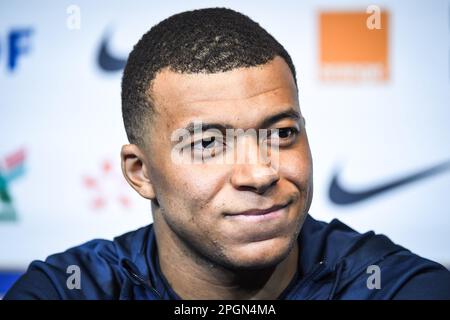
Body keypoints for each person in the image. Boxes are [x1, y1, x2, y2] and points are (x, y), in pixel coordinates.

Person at [5, 7, 450, 300]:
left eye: (281, 134)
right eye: (206, 143)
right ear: (140, 173)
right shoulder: (69, 291)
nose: (259, 173)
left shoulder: (396, 288)